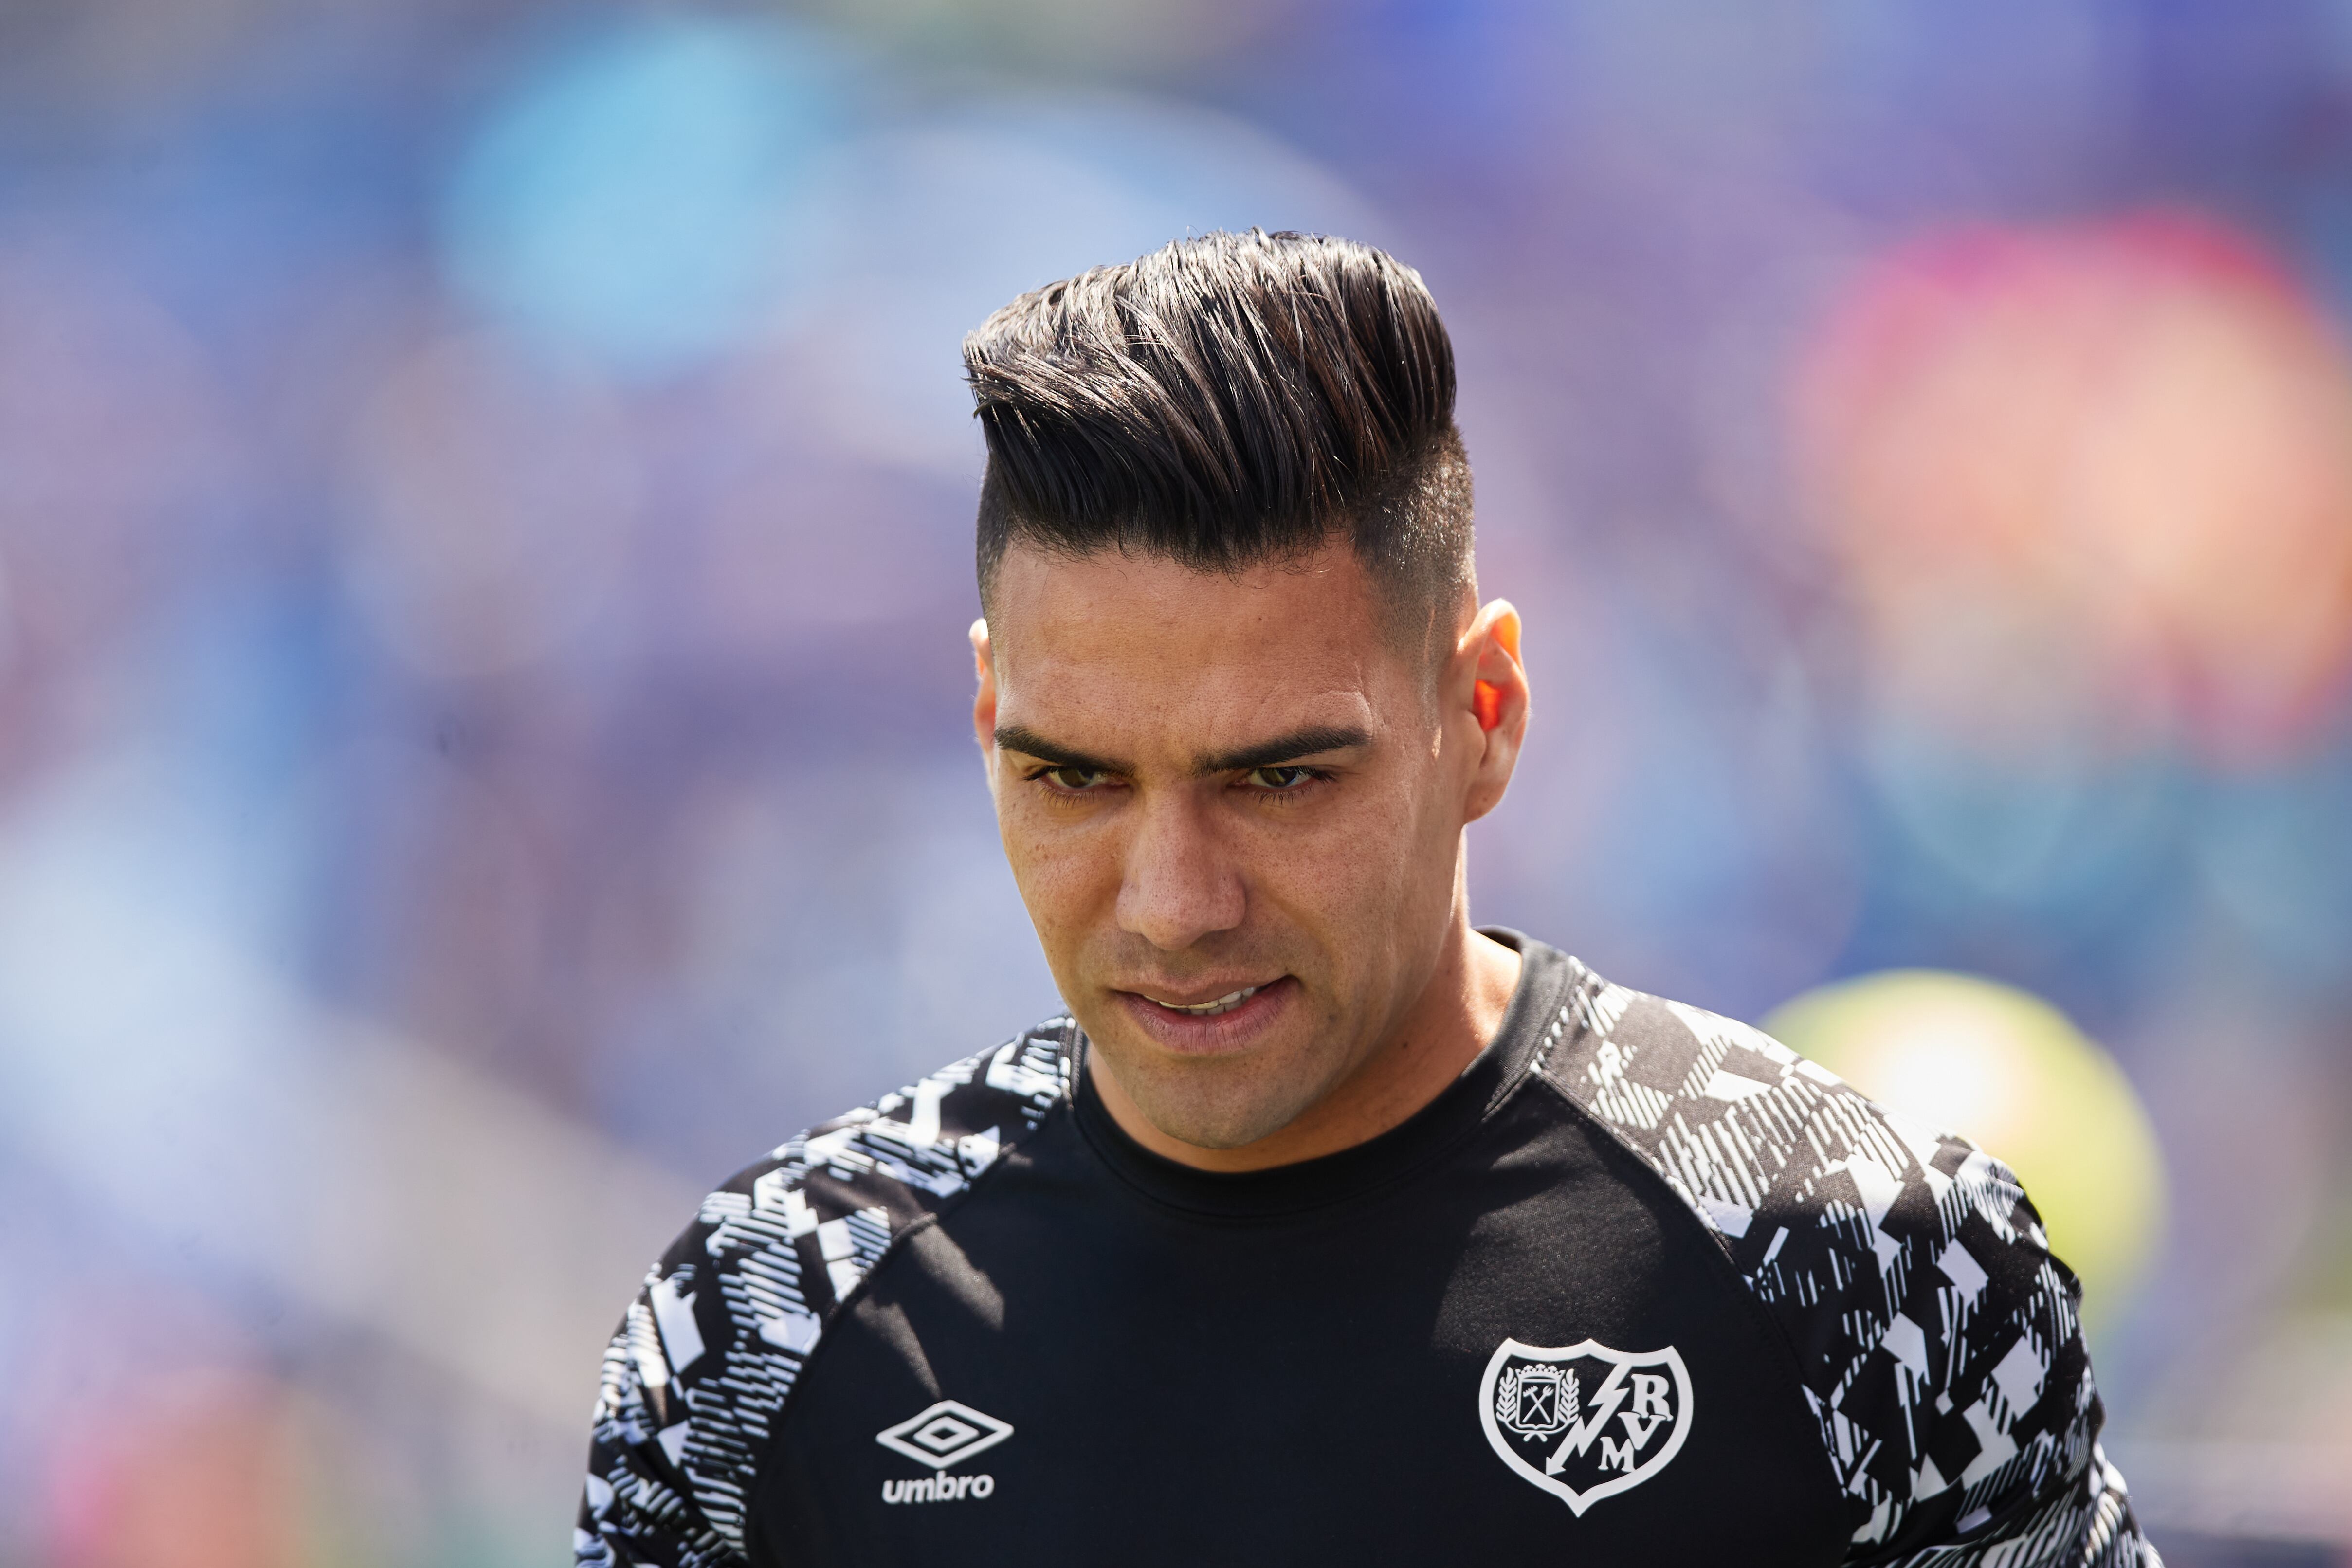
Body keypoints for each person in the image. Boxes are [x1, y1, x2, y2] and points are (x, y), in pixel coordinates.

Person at [574, 231, 2156, 1566]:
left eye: (1278, 779)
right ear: (988, 717)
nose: (1173, 904)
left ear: (1483, 714)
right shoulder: (769, 1314)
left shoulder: (1862, 1267)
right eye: (1074, 780)